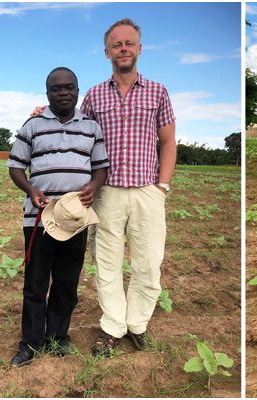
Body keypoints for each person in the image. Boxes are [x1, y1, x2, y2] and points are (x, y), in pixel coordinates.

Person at [80, 18, 177, 355]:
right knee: (107, 263)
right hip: (107, 193)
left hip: (147, 191)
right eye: (117, 44)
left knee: (149, 263)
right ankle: (112, 326)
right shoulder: (93, 95)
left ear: (139, 48)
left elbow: (167, 141)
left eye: (129, 43)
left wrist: (162, 186)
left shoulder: (158, 92)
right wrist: (42, 113)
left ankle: (137, 323)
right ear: (107, 52)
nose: (124, 49)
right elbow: (80, 137)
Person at [7, 67, 109, 366]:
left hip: (75, 219)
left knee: (66, 282)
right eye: (56, 88)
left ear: (78, 91)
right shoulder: (33, 126)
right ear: (47, 93)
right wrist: (31, 189)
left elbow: (101, 167)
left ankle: (58, 336)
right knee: (36, 284)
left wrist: (93, 185)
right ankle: (31, 342)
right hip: (39, 219)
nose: (63, 92)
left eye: (69, 87)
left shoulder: (91, 126)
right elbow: (15, 166)